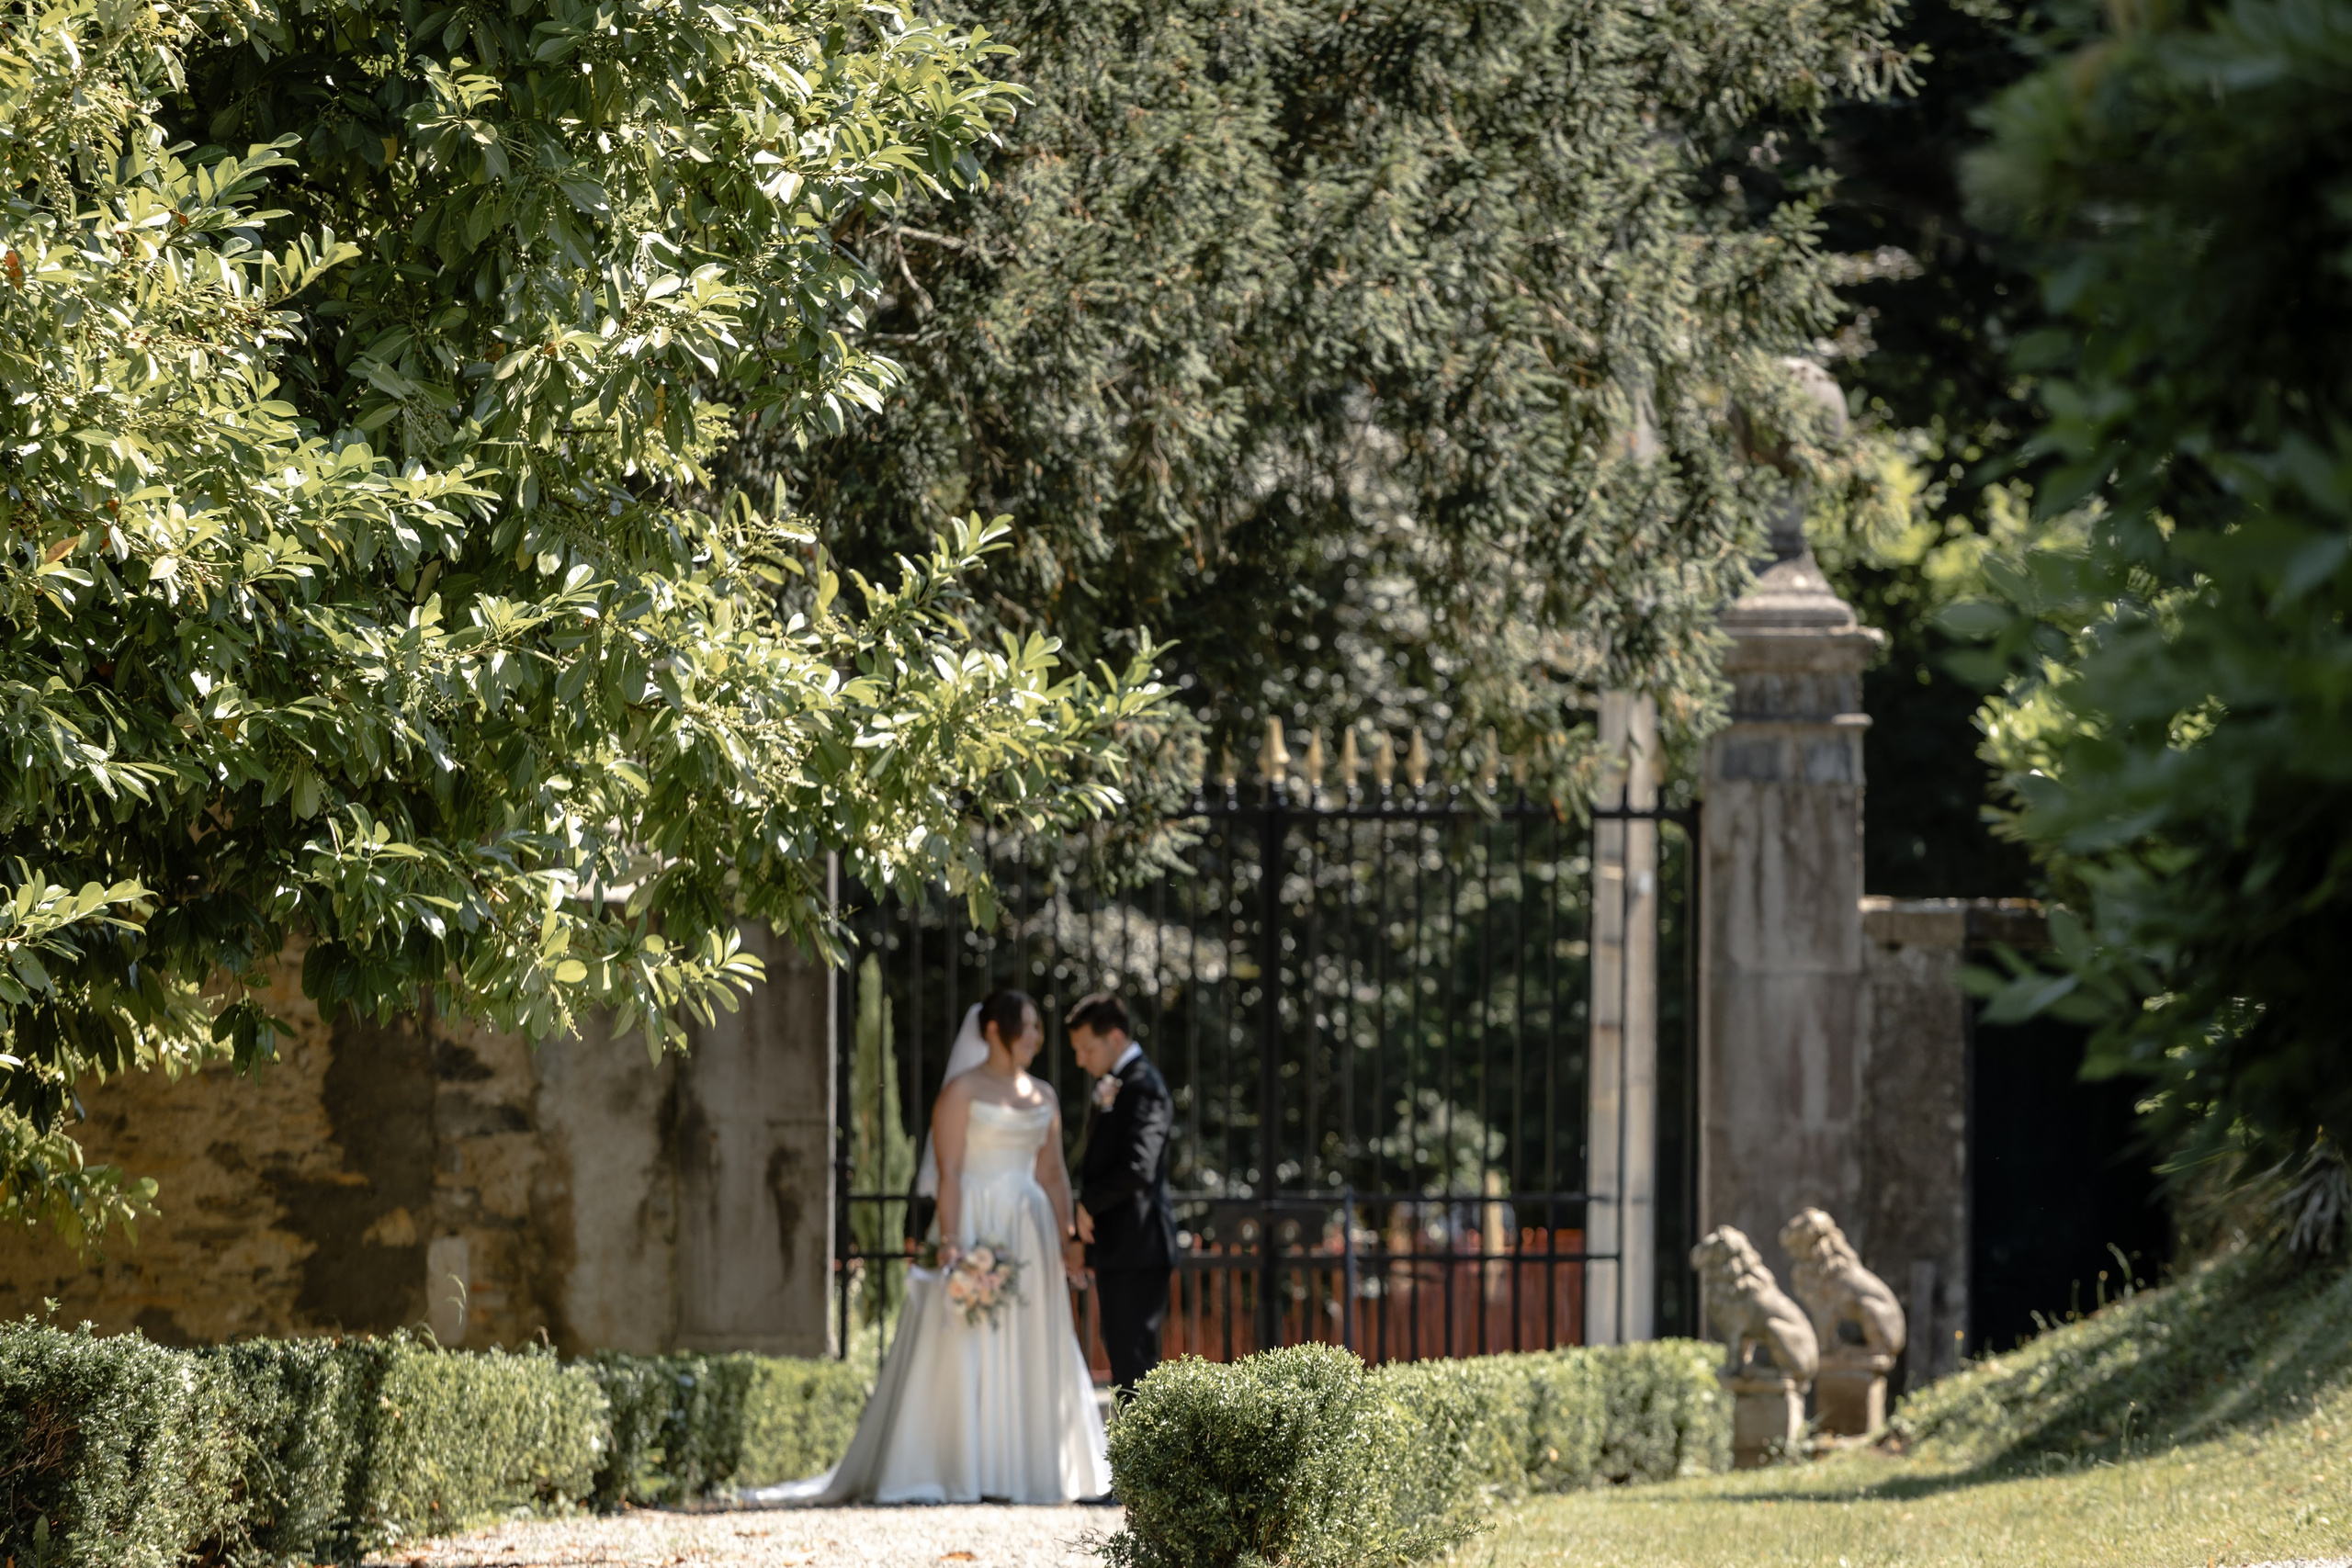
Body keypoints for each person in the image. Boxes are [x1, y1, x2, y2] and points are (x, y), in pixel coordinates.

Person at [759, 990, 1110, 1505]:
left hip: (1031, 1228)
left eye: (1038, 1027)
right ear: (994, 1029)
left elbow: (1053, 1172)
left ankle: (1029, 1468)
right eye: (1028, 1026)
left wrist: (1068, 1238)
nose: (1037, 1036)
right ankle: (958, 1467)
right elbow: (949, 1173)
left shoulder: (1044, 1096)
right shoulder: (961, 1092)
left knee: (1032, 1338)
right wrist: (951, 1244)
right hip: (976, 1221)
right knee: (967, 1339)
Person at [1067, 992, 1177, 1400]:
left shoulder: (1143, 1085)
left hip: (1140, 1249)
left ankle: (1144, 1463)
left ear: (1114, 1037)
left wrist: (1087, 1204)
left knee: (1136, 1372)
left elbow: (1138, 1167)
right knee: (1126, 1364)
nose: (1081, 1059)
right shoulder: (1117, 1083)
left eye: (1086, 1048)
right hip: (1122, 1251)